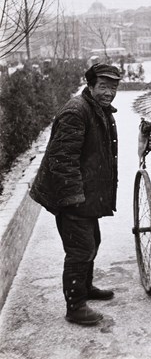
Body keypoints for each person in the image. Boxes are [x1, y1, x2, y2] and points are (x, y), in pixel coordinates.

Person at [30, 63, 121, 325]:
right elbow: (62, 159)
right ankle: (75, 306)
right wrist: (72, 200)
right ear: (90, 86)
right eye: (103, 86)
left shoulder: (98, 110)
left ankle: (86, 288)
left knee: (93, 241)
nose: (109, 92)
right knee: (80, 249)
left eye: (113, 87)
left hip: (85, 194)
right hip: (71, 195)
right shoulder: (76, 112)